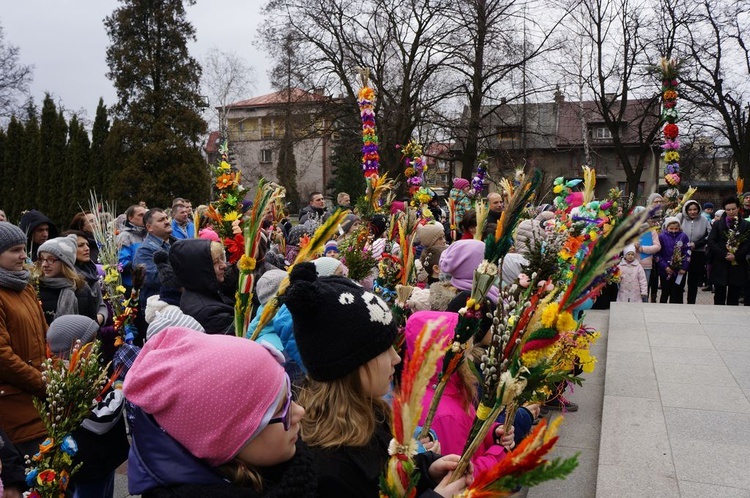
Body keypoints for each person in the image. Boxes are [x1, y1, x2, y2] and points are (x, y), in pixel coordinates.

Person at [283, 263, 471, 497]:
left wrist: (425, 470)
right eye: (383, 350)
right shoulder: (329, 469)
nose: (395, 358)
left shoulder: (371, 412)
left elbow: (391, 474)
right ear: (349, 364)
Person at [123, 327, 316, 497]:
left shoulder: (291, 466)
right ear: (227, 443)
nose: (301, 411)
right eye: (280, 409)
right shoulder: (309, 476)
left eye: (290, 397)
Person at [406, 311, 516, 475]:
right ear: (449, 355)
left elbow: (466, 429)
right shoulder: (445, 414)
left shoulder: (442, 389)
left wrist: (492, 432)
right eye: (467, 353)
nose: (471, 359)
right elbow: (462, 474)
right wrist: (500, 453)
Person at [45, 315, 129, 498]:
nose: (96, 345)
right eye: (92, 341)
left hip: (100, 460)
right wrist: (120, 389)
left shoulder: (75, 372)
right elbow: (101, 419)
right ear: (77, 347)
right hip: (92, 463)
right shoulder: (73, 381)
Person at [0, 222, 48, 458]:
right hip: (15, 407)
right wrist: (41, 383)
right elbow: (3, 358)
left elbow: (44, 334)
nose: (23, 256)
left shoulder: (24, 286)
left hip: (40, 403)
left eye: (23, 249)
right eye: (15, 250)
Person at [169, 239, 233, 334]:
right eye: (215, 262)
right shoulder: (207, 312)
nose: (224, 265)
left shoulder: (200, 288)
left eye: (221, 259)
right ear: (200, 269)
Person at [37, 235, 101, 325]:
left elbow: (92, 326)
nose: (44, 264)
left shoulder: (82, 289)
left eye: (51, 259)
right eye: (42, 259)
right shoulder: (36, 288)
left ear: (65, 262)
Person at [707, 197, 750, 305]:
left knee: (734, 295)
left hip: (737, 263)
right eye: (728, 209)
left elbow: (747, 244)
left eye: (733, 209)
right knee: (719, 294)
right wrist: (724, 254)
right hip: (720, 262)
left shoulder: (745, 224)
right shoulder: (718, 224)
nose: (731, 212)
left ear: (738, 208)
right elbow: (711, 241)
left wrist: (736, 255)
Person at [65, 230, 108, 326]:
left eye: (87, 245)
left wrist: (100, 318)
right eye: (80, 245)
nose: (87, 248)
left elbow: (101, 304)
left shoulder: (91, 272)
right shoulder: (68, 276)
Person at [133, 208, 173, 308]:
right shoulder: (144, 251)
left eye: (166, 218)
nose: (167, 222)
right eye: (161, 220)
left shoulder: (178, 243)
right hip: (159, 308)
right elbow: (156, 279)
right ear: (149, 227)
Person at [678, 200, 710, 304]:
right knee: (679, 278)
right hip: (681, 253)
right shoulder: (680, 218)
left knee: (693, 280)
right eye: (690, 210)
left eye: (695, 209)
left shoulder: (704, 219)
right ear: (686, 210)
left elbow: (709, 235)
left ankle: (691, 302)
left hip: (697, 252)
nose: (692, 212)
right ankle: (677, 301)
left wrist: (697, 244)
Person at [655, 217, 690, 304]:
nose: (674, 231)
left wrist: (684, 267)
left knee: (677, 293)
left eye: (676, 228)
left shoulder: (683, 236)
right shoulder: (661, 237)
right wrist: (665, 267)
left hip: (679, 271)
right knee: (665, 292)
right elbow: (657, 254)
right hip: (665, 270)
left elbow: (687, 252)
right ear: (666, 227)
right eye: (671, 228)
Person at [117, 204, 148, 295]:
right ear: (130, 218)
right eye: (140, 215)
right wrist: (142, 263)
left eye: (145, 214)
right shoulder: (124, 236)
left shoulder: (149, 233)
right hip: (131, 285)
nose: (144, 217)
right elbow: (121, 264)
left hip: (148, 283)